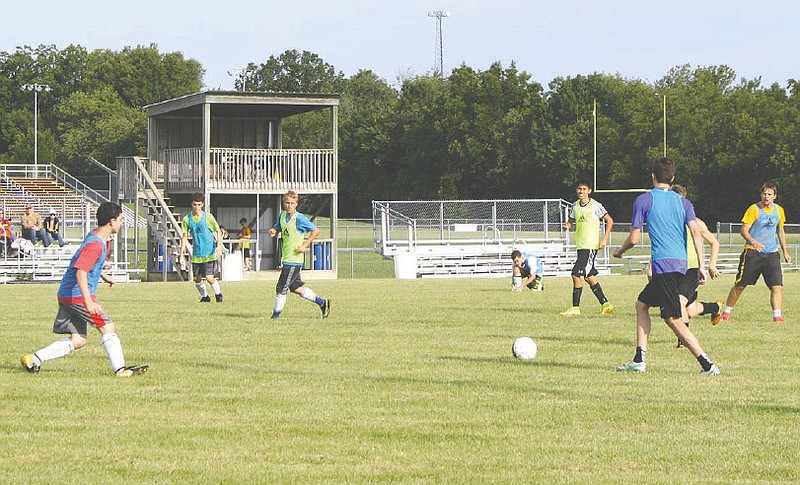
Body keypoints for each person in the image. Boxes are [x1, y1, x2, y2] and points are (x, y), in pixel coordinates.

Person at [613, 158, 719, 376]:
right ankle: (639, 359)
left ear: (653, 176)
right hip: (682, 266)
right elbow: (697, 232)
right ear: (672, 179)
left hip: (664, 266)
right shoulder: (684, 203)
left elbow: (634, 238)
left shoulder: (643, 200)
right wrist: (701, 265)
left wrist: (620, 251)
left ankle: (707, 364)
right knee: (642, 304)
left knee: (672, 319)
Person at [20, 202, 148, 377]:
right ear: (111, 221)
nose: (121, 223)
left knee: (79, 340)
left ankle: (33, 359)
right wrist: (88, 301)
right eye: (120, 219)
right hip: (77, 296)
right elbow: (81, 272)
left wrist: (102, 275)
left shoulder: (95, 236)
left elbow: (84, 263)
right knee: (107, 327)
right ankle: (120, 369)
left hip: (68, 294)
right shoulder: (95, 244)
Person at [720, 182, 792, 323]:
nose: (766, 196)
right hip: (753, 253)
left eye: (769, 194)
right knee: (740, 285)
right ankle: (726, 312)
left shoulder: (779, 211)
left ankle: (777, 316)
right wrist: (754, 242)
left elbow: (781, 231)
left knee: (777, 286)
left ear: (775, 196)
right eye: (764, 193)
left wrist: (785, 251)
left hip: (772, 254)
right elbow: (744, 230)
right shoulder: (754, 209)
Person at [669, 184, 724, 348]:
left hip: (692, 270)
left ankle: (683, 341)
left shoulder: (696, 222)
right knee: (690, 309)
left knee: (678, 302)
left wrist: (711, 265)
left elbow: (714, 242)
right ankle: (716, 307)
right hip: (674, 269)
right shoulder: (667, 222)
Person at [268, 190, 331, 319]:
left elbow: (316, 231)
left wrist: (304, 245)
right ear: (284, 203)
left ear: (296, 204)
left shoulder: (300, 218)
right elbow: (278, 226)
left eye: (292, 203)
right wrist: (274, 230)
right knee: (296, 288)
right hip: (286, 258)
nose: (289, 205)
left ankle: (275, 317)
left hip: (294, 260)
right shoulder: (282, 216)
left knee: (280, 289)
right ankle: (322, 303)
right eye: (287, 203)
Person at [560, 181, 614, 316]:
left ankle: (575, 308)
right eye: (579, 189)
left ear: (589, 191)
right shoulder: (575, 206)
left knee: (576, 274)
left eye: (584, 189)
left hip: (590, 246)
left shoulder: (595, 206)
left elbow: (610, 220)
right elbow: (571, 220)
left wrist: (605, 237)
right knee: (589, 276)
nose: (581, 191)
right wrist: (568, 225)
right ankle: (606, 304)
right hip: (581, 246)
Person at [180, 193, 224, 303]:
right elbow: (184, 236)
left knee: (209, 277)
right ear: (191, 204)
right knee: (197, 278)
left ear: (202, 205)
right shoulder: (187, 219)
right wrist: (182, 253)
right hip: (197, 253)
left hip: (209, 252)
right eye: (195, 204)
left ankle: (218, 295)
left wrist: (219, 246)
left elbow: (218, 231)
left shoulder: (208, 217)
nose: (197, 207)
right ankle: (205, 297)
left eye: (199, 204)